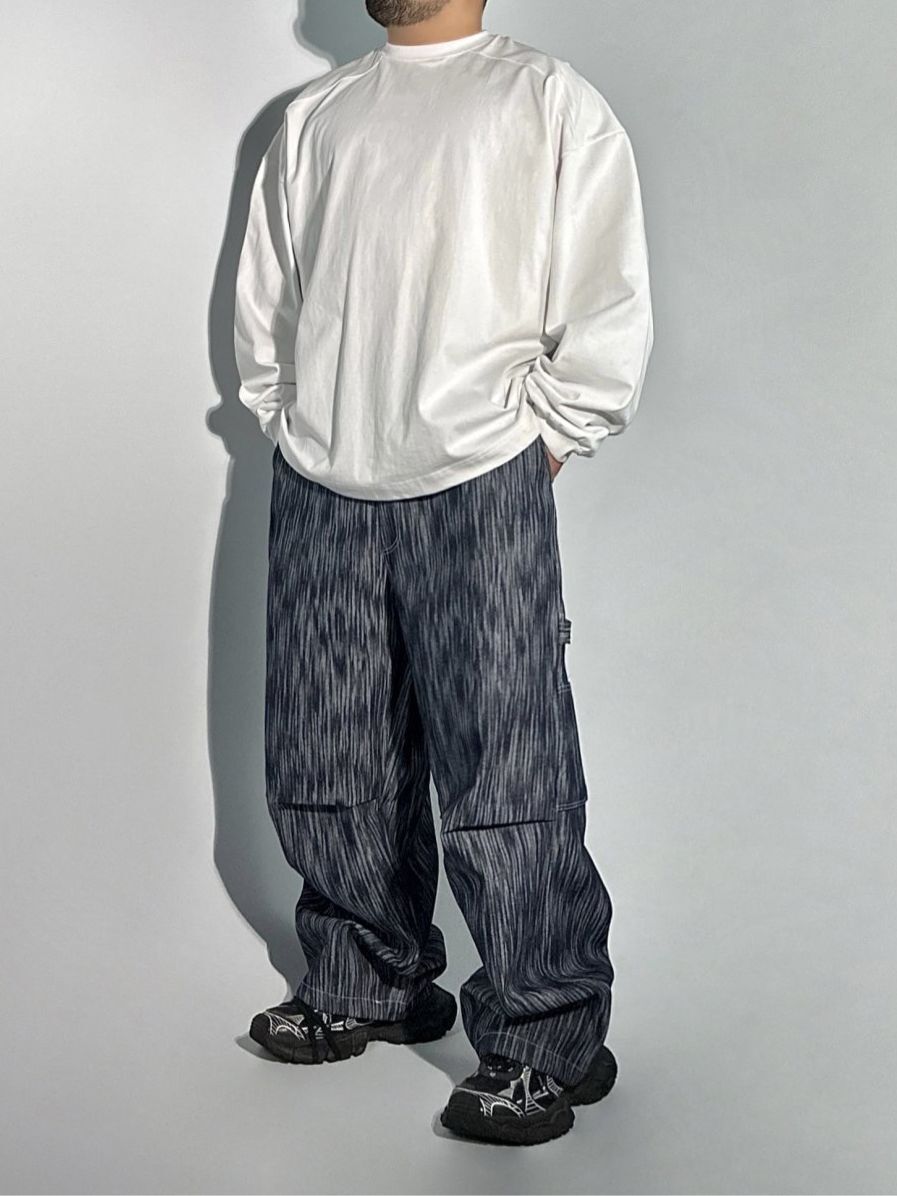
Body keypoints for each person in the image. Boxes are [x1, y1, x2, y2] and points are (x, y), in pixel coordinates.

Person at [233, 0, 653, 1147]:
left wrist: (548, 436)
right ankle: (365, 979)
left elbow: (608, 293)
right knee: (325, 755)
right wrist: (295, 424)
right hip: (324, 478)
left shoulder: (543, 98)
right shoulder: (316, 115)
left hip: (480, 474)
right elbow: (270, 301)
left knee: (507, 766)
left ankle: (545, 1037)